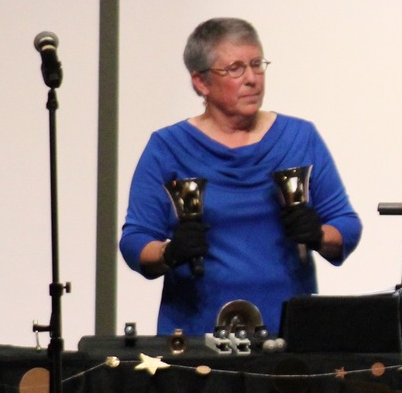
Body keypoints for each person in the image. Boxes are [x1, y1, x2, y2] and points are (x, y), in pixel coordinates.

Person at [119, 18, 361, 335]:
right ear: (201, 83)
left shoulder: (299, 137)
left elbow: (347, 225)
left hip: (286, 331)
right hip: (197, 332)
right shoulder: (168, 147)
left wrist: (318, 234)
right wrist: (170, 252)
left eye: (257, 65)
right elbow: (135, 241)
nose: (252, 79)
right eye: (235, 69)